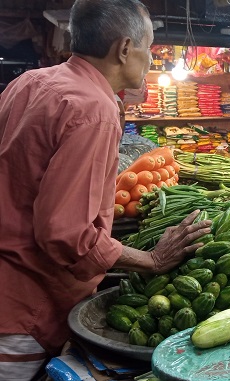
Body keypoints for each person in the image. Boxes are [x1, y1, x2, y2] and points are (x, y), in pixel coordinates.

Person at [0, 1, 211, 378]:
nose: (150, 58)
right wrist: (151, 260)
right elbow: (65, 234)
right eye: (149, 45)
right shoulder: (93, 109)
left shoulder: (27, 83)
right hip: (24, 309)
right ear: (125, 48)